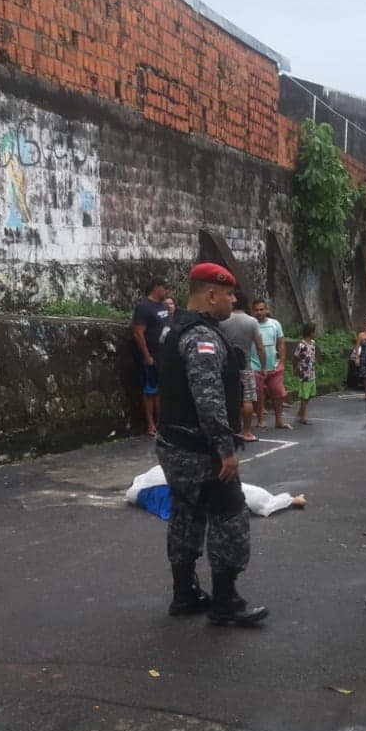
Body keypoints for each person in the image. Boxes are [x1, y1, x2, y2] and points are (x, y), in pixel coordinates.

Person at [155, 263, 267, 627]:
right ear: (212, 294)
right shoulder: (201, 337)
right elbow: (209, 400)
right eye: (231, 295)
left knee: (186, 516)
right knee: (230, 518)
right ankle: (225, 602)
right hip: (200, 451)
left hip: (174, 443)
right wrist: (226, 450)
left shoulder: (173, 328)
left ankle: (184, 594)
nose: (234, 301)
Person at [218, 290, 266, 442]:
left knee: (224, 398)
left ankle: (227, 430)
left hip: (224, 366)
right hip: (244, 365)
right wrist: (263, 366)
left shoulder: (222, 320)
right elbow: (259, 346)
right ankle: (246, 431)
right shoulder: (252, 322)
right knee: (246, 399)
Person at [132, 277, 171, 436]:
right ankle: (150, 424)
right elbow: (138, 332)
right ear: (156, 288)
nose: (166, 292)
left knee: (161, 390)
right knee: (150, 391)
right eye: (165, 288)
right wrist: (147, 355)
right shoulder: (143, 307)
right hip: (151, 354)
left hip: (164, 354)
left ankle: (161, 421)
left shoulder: (162, 306)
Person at [250, 299, 291, 431]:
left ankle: (279, 420)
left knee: (278, 393)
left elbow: (281, 343)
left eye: (261, 309)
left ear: (266, 310)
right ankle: (261, 419)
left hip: (273, 366)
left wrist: (282, 362)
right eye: (256, 310)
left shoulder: (275, 324)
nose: (259, 312)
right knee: (258, 394)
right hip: (255, 366)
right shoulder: (251, 325)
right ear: (252, 311)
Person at [293, 323, 317, 424]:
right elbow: (295, 357)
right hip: (304, 373)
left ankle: (300, 412)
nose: (316, 333)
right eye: (314, 331)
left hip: (311, 372)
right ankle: (303, 417)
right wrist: (295, 368)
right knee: (304, 395)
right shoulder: (301, 344)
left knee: (311, 393)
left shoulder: (313, 343)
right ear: (310, 332)